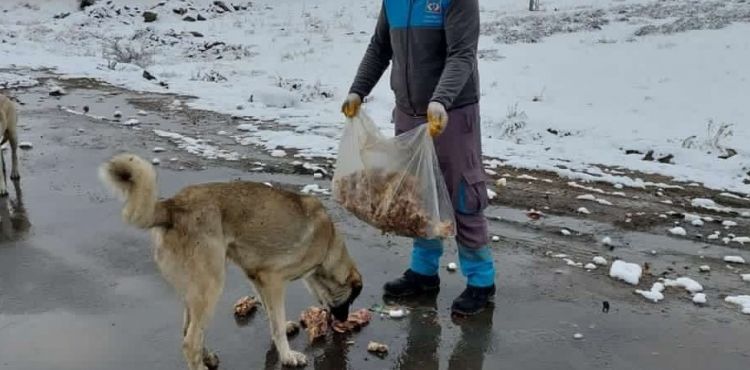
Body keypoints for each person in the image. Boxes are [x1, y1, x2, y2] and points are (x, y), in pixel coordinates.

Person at [341, 0, 495, 316]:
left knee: (463, 193)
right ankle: (423, 272)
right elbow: (379, 47)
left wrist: (441, 100)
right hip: (409, 113)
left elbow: (462, 55)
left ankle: (481, 280)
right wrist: (358, 90)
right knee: (417, 193)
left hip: (451, 112)